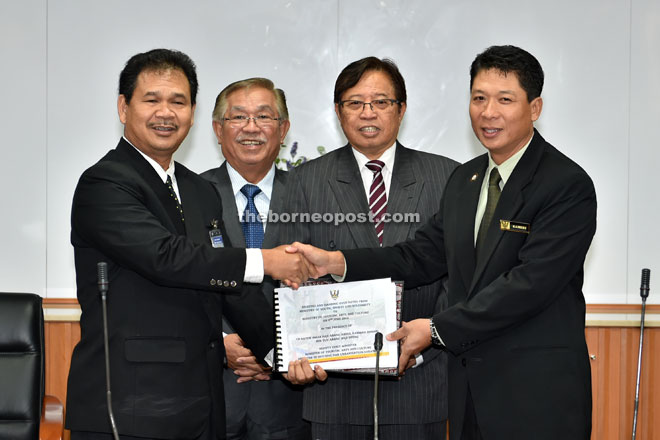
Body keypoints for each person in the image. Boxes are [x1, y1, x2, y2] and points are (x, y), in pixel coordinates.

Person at [292, 45, 596, 440]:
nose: (488, 112)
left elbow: (529, 285)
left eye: (505, 100)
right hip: (469, 394)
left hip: (535, 394)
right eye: (479, 98)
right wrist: (336, 262)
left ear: (534, 107)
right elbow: (419, 257)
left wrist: (434, 329)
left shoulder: (565, 184)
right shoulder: (466, 181)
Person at [66, 49, 310, 440]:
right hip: (130, 407)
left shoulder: (199, 190)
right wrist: (264, 261)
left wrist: (285, 353)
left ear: (193, 113)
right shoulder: (105, 184)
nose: (166, 113)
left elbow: (228, 286)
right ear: (123, 107)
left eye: (178, 102)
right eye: (152, 100)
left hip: (201, 405)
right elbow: (167, 257)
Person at [280, 57, 458, 440]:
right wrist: (296, 349)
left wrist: (427, 342)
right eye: (355, 103)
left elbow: (458, 278)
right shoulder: (305, 181)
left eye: (380, 102)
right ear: (338, 112)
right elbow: (288, 277)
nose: (368, 113)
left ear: (402, 110)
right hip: (332, 388)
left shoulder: (447, 177)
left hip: (420, 382)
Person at [201, 77, 310, 439]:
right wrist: (218, 342)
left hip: (290, 397)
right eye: (237, 118)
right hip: (211, 391)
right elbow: (173, 280)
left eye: (264, 116)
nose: (251, 128)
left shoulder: (311, 196)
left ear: (284, 129)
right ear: (218, 129)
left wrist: (278, 353)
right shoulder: (189, 194)